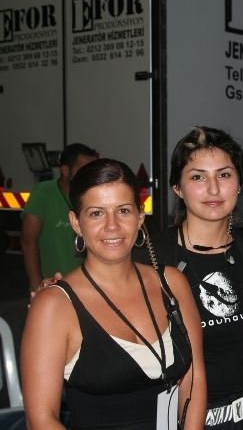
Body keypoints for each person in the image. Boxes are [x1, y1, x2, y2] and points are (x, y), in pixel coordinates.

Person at [21, 158, 206, 429]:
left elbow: (194, 378)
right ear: (76, 222)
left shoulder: (171, 283)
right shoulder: (55, 305)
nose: (112, 226)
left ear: (140, 217)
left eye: (123, 211)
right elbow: (41, 419)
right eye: (97, 213)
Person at [137, 126, 243, 429]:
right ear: (177, 188)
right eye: (198, 177)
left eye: (224, 175)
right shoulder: (151, 256)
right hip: (180, 420)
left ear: (239, 184)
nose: (213, 189)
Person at [21, 143, 97, 291]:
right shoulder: (44, 192)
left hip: (86, 285)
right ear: (65, 170)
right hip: (53, 285)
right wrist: (37, 286)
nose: (89, 175)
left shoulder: (91, 195)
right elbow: (28, 240)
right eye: (83, 170)